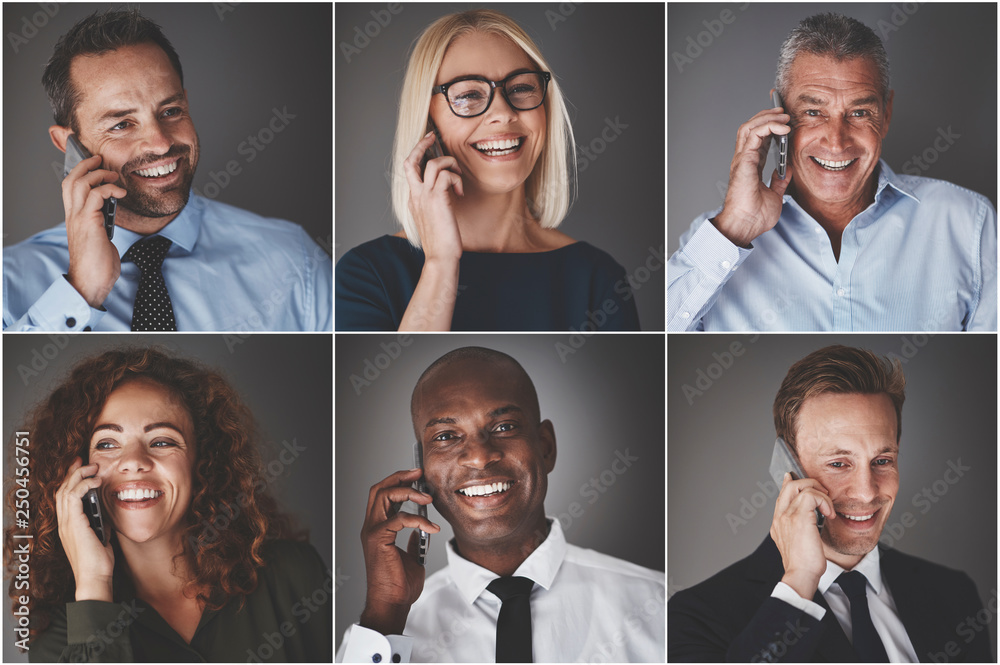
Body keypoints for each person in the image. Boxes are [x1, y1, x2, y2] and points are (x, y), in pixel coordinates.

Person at [3, 9, 332, 331]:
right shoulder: (9, 283)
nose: (159, 143)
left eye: (171, 110)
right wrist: (81, 291)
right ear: (68, 145)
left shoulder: (295, 261)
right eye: (121, 124)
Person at [667, 12, 996, 332]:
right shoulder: (715, 240)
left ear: (887, 113)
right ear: (778, 111)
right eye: (813, 111)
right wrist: (736, 228)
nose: (837, 142)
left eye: (859, 112)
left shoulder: (969, 223)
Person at [3, 348, 332, 661]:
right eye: (107, 443)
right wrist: (93, 581)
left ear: (201, 460)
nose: (133, 462)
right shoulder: (59, 639)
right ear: (74, 473)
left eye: (161, 441)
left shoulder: (295, 575)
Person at [337, 347, 664, 661]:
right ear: (420, 469)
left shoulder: (658, 605)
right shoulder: (381, 635)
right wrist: (387, 613)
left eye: (504, 427)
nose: (479, 457)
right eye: (447, 436)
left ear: (545, 447)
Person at [668, 345, 993, 662]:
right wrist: (798, 581)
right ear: (789, 468)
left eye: (882, 460)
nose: (866, 493)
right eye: (838, 464)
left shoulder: (953, 595)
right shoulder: (696, 616)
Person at [335, 10, 640, 331]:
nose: (502, 113)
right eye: (468, 94)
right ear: (428, 120)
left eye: (521, 87)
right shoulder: (366, 274)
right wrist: (440, 264)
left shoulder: (600, 280)